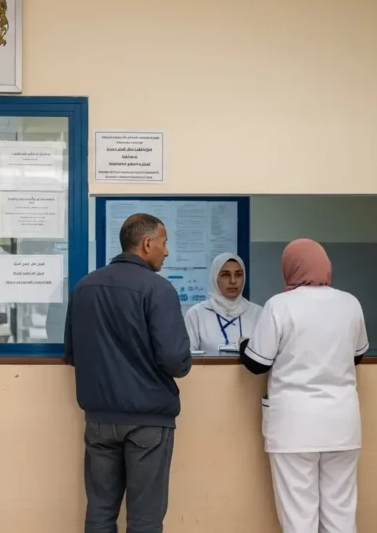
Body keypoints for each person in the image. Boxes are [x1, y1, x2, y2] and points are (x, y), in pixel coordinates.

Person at [64, 213, 192, 533]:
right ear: (147, 243)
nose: (166, 251)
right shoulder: (159, 290)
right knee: (145, 518)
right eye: (164, 243)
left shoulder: (84, 287)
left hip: (99, 421)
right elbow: (176, 361)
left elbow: (73, 354)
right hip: (149, 422)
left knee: (100, 511)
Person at [239, 238, 368, 533]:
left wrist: (245, 345)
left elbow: (257, 363)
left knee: (300, 517)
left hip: (294, 427)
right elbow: (358, 355)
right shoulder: (350, 303)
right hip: (342, 425)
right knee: (341, 514)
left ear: (290, 267)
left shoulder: (279, 305)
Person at [183, 252, 263, 352]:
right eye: (225, 275)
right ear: (214, 278)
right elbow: (188, 357)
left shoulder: (257, 313)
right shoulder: (196, 314)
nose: (233, 281)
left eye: (238, 275)